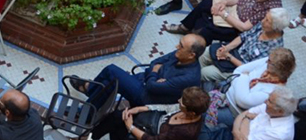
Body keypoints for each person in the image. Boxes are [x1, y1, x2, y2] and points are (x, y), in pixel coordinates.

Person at [71, 34, 206, 107]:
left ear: (191, 55)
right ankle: (89, 106)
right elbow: (154, 62)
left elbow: (153, 86)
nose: (177, 46)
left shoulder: (189, 77)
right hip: (144, 81)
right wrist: (155, 75)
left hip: (146, 97)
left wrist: (154, 73)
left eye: (181, 46)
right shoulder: (180, 53)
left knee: (111, 70)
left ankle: (89, 93)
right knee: (109, 82)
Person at [166, 0, 282, 45]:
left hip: (237, 27)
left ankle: (194, 46)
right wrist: (224, 3)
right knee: (206, 2)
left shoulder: (271, 8)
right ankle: (185, 27)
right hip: (232, 10)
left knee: (209, 28)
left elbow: (244, 27)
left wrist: (223, 14)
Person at [199, 7, 287, 83]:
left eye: (267, 21)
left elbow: (249, 70)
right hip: (235, 50)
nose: (263, 21)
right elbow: (243, 36)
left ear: (275, 28)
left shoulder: (273, 51)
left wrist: (228, 57)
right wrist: (227, 48)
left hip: (239, 67)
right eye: (265, 17)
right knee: (204, 54)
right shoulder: (263, 26)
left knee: (205, 73)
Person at [92, 86, 209, 140]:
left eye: (182, 103)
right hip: (150, 122)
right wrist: (140, 108)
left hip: (151, 134)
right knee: (119, 116)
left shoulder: (185, 132)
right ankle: (92, 137)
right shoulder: (184, 109)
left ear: (192, 113)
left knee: (120, 126)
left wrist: (130, 127)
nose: (178, 101)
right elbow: (166, 108)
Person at [222, 48, 297, 125]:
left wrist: (244, 77)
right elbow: (237, 71)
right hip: (227, 89)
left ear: (279, 69)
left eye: (269, 61)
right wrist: (242, 84)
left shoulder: (272, 92)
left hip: (232, 110)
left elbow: (242, 101)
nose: (266, 61)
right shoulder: (269, 62)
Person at [232, 87, 297, 140]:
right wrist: (236, 131)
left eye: (270, 101)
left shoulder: (278, 134)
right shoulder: (273, 109)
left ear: (280, 111)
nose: (265, 102)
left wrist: (247, 118)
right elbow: (245, 113)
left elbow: (246, 115)